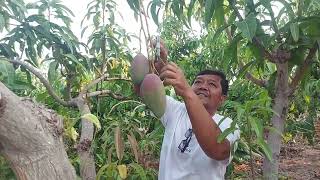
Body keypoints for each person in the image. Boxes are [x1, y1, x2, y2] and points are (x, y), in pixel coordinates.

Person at [134, 41, 240, 180]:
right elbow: (142, 90)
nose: (203, 86)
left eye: (212, 84)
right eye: (198, 82)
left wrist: (186, 91)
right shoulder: (175, 110)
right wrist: (154, 70)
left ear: (222, 99)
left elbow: (219, 150)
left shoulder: (229, 125)